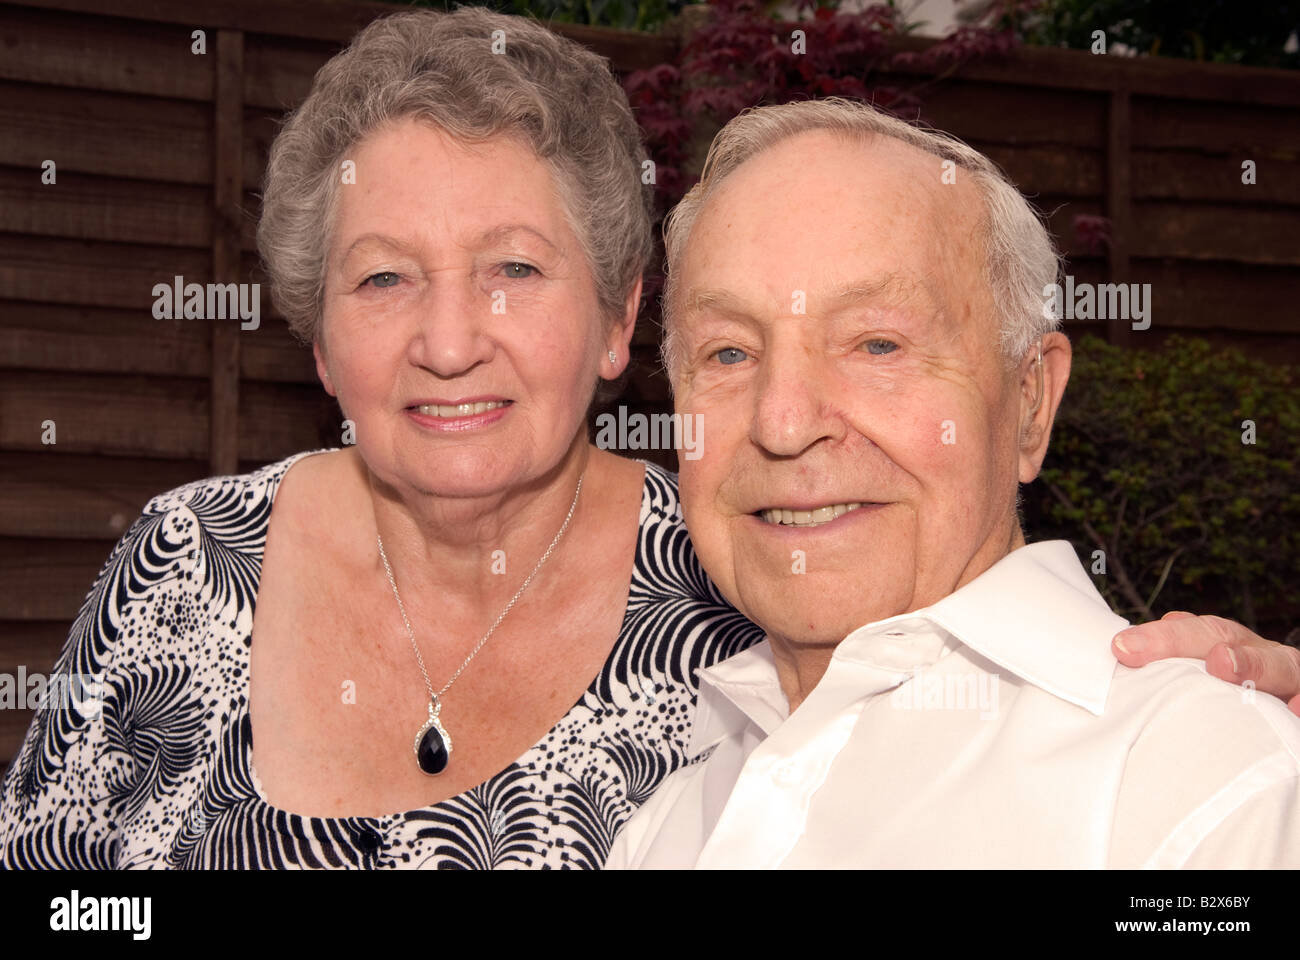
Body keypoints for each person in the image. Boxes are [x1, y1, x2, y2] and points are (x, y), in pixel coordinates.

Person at [0, 9, 1293, 870]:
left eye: (514, 267)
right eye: (384, 279)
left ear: (618, 320)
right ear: (316, 336)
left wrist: (1219, 707)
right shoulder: (188, 556)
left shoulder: (739, 583)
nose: (450, 340)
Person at [606, 97, 1300, 869]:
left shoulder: (1199, 785)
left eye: (877, 344)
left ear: (1030, 403)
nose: (784, 421)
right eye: (729, 353)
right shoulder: (666, 825)